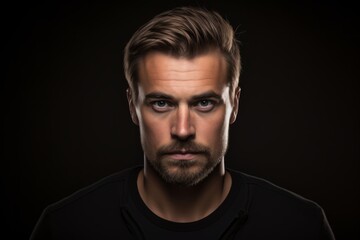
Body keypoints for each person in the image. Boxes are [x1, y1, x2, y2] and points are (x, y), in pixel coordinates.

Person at [30, 6, 335, 240]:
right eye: (161, 103)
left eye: (204, 103)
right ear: (132, 107)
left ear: (234, 106)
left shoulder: (298, 226)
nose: (183, 129)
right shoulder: (68, 226)